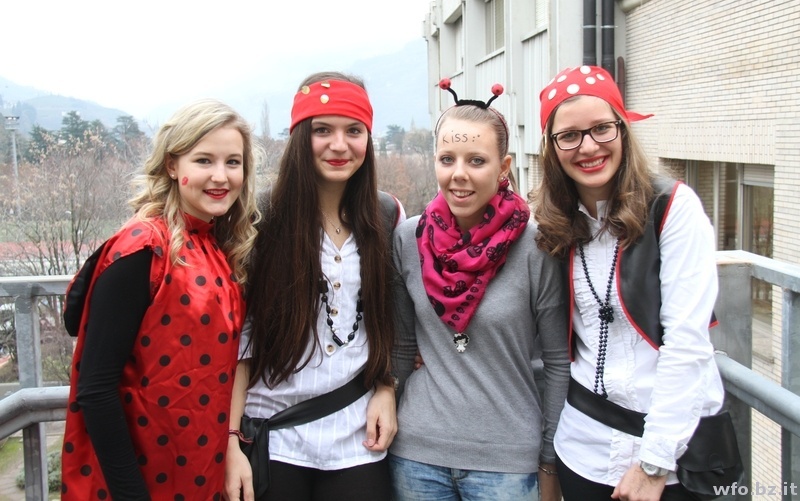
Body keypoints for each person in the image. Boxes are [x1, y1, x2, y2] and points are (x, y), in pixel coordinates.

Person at [530, 65, 725, 501]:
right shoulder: (551, 223)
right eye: (569, 136)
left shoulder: (673, 207)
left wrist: (654, 462)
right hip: (583, 449)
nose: (588, 147)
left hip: (674, 460)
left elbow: (687, 343)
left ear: (622, 129)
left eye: (601, 128)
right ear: (552, 147)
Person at [60, 99, 260, 500]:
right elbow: (95, 389)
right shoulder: (143, 248)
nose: (221, 176)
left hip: (197, 477)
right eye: (204, 160)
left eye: (233, 162)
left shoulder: (215, 245)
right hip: (140, 481)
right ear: (172, 165)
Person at [224, 72, 405, 501]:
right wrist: (229, 441)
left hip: (358, 436)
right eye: (322, 130)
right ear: (299, 137)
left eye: (354, 131)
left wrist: (386, 386)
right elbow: (241, 341)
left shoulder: (385, 216)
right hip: (273, 434)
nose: (339, 145)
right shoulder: (259, 219)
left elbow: (391, 318)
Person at [388, 79, 570, 501]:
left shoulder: (537, 247)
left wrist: (549, 461)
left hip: (508, 463)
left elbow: (558, 363)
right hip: (415, 455)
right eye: (447, 159)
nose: (459, 174)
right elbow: (402, 347)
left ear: (504, 167)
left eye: (476, 160)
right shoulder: (408, 239)